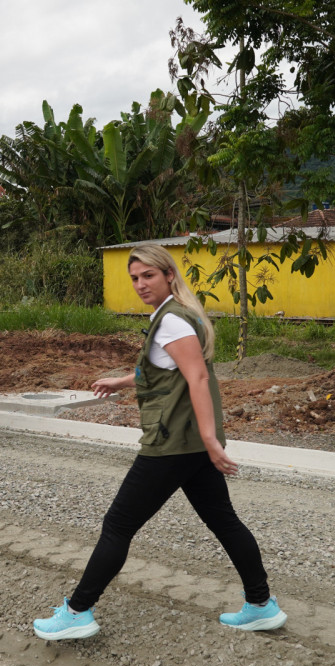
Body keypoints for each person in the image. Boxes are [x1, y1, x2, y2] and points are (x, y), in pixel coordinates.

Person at [33, 243, 286, 640]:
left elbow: (197, 378)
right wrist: (121, 380)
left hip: (172, 443)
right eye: (134, 278)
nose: (140, 284)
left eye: (148, 275)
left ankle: (77, 611)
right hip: (189, 444)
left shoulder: (170, 320)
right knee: (223, 521)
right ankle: (260, 605)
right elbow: (168, 368)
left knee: (118, 524)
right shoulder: (178, 316)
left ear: (169, 275)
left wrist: (209, 438)